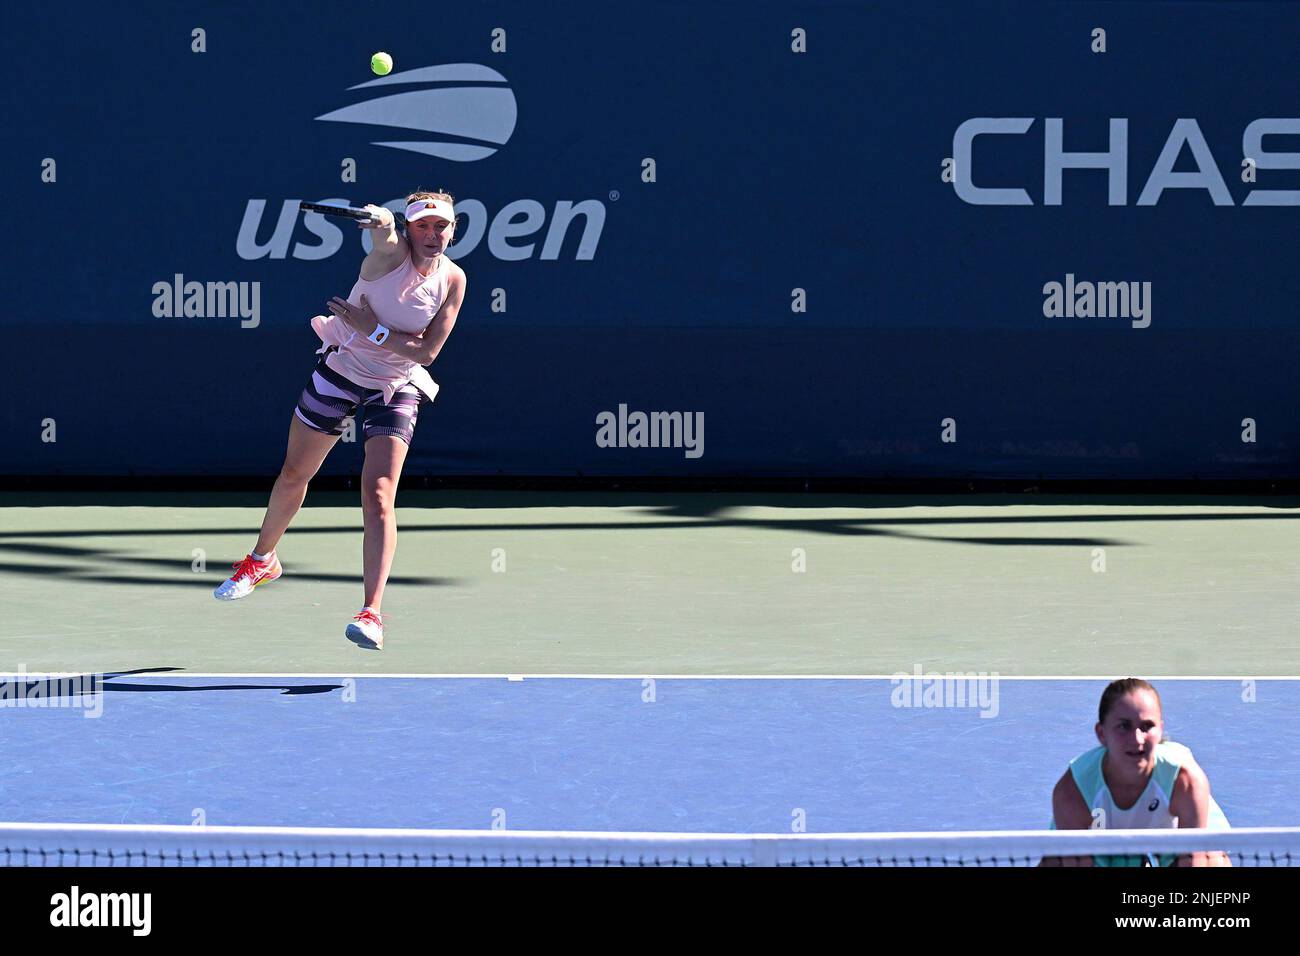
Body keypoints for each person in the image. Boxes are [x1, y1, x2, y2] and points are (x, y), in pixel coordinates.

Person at [212, 190, 468, 650]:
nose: (432, 234)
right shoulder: (389, 256)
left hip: (398, 384)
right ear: (409, 229)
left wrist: (375, 329)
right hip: (343, 369)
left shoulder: (453, 279)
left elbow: (427, 352)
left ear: (453, 228)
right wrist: (382, 224)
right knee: (295, 472)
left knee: (379, 494)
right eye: (423, 226)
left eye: (441, 226)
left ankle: (371, 613)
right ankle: (262, 559)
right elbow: (385, 239)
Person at [1043, 678, 1231, 866]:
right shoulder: (1072, 792)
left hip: (1172, 849)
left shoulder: (1185, 781)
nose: (1137, 739)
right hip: (1101, 854)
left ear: (1160, 730)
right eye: (1124, 726)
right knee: (1053, 863)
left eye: (1147, 726)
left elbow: (1193, 862)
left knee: (1213, 862)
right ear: (1101, 733)